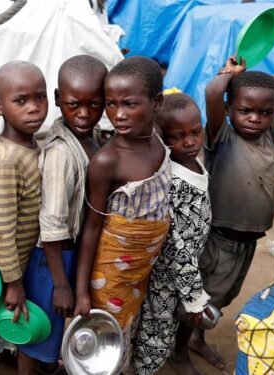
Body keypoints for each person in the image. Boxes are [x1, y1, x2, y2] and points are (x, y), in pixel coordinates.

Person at [72, 56, 171, 369]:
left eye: (129, 104)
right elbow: (91, 229)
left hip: (140, 271)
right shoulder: (108, 161)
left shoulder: (157, 136)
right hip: (108, 276)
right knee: (103, 348)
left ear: (156, 103)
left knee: (127, 329)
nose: (118, 115)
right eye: (111, 105)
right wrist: (81, 291)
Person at [190, 56, 274, 370]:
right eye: (245, 110)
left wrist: (254, 81)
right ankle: (180, 346)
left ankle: (195, 340)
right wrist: (230, 74)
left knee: (221, 299)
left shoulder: (268, 137)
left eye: (265, 112)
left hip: (248, 243)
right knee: (199, 300)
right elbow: (212, 94)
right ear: (229, 110)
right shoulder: (223, 137)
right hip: (219, 240)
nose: (255, 118)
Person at [19, 55, 107, 375]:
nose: (84, 113)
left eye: (94, 104)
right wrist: (61, 283)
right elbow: (52, 223)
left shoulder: (88, 141)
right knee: (40, 330)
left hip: (69, 255)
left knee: (53, 327)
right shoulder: (60, 153)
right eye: (73, 104)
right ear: (58, 99)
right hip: (52, 259)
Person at [130, 92, 212, 375]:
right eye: (177, 137)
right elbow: (182, 248)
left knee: (159, 329)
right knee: (156, 335)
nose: (189, 142)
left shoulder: (194, 166)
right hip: (166, 278)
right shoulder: (176, 180)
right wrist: (194, 298)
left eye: (195, 133)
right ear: (162, 138)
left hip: (176, 277)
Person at [0, 60, 46, 374]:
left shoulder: (32, 146)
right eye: (21, 101)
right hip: (2, 271)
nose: (34, 108)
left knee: (15, 326)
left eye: (40, 97)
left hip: (20, 264)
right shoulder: (7, 161)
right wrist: (13, 282)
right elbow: (1, 230)